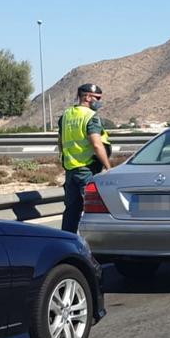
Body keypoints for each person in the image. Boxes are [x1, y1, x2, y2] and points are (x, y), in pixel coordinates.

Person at [59, 83, 111, 233]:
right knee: (93, 209)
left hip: (70, 170)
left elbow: (61, 142)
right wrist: (108, 167)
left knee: (71, 211)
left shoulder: (66, 115)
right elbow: (96, 144)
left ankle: (67, 243)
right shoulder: (90, 117)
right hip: (87, 169)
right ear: (87, 97)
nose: (99, 101)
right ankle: (93, 244)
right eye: (97, 98)